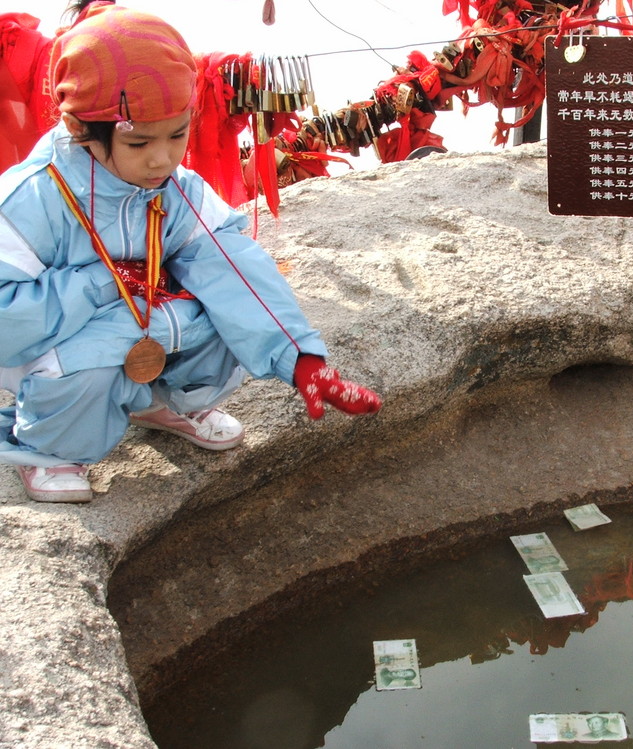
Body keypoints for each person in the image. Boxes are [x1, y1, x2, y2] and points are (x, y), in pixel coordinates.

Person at [0, 1, 382, 503]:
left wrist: (300, 359)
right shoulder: (31, 199)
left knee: (225, 315)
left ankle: (163, 404)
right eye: (139, 143)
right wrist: (105, 281)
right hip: (58, 340)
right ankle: (49, 448)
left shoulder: (178, 189)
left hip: (140, 323)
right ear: (78, 128)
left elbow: (235, 271)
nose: (162, 160)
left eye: (177, 135)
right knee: (88, 370)